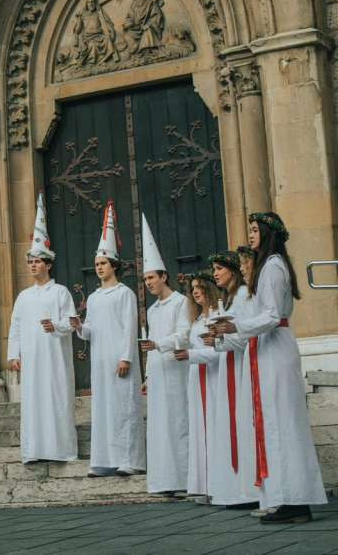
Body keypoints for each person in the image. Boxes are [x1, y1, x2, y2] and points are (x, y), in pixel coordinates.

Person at [212, 213, 327, 524]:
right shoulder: (267, 267)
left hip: (276, 349)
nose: (250, 235)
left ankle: (295, 499)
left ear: (267, 233)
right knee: (270, 424)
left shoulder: (273, 266)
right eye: (249, 229)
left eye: (254, 230)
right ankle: (280, 496)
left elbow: (273, 315)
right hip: (267, 350)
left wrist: (235, 324)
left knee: (280, 424)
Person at [73, 202, 145, 477]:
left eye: (103, 263)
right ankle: (103, 460)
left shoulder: (124, 293)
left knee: (124, 407)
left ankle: (130, 459)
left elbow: (129, 326)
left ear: (113, 265)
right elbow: (91, 331)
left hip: (119, 358)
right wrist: (79, 326)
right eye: (96, 264)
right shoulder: (93, 297)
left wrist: (127, 356)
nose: (99, 268)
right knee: (103, 408)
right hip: (100, 361)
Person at [7, 193, 78, 464]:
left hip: (54, 356)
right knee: (34, 401)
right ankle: (35, 450)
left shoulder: (60, 293)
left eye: (37, 261)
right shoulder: (24, 296)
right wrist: (14, 354)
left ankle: (60, 449)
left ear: (48, 264)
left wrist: (56, 326)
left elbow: (71, 323)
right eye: (30, 261)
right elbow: (15, 324)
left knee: (56, 398)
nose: (32, 265)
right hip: (33, 357)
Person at [137, 214, 188, 495]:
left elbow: (183, 334)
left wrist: (159, 344)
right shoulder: (153, 311)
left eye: (152, 278)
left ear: (164, 276)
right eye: (145, 279)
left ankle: (184, 478)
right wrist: (146, 375)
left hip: (175, 371)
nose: (148, 283)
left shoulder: (180, 302)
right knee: (159, 428)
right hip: (157, 372)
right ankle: (164, 480)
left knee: (178, 423)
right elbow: (149, 344)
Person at [205, 251, 257, 509]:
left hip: (242, 368)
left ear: (233, 270)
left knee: (243, 426)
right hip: (230, 366)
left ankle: (248, 490)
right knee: (230, 426)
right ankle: (235, 489)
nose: (215, 273)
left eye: (219, 268)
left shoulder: (245, 296)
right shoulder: (227, 300)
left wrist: (222, 335)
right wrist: (215, 338)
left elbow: (246, 335)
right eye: (213, 269)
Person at [175, 271, 219, 503]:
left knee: (212, 427)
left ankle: (218, 483)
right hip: (196, 377)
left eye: (200, 286)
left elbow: (218, 351)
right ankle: (203, 484)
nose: (196, 291)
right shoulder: (195, 320)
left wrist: (191, 354)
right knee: (199, 428)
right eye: (192, 288)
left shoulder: (217, 316)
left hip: (212, 378)